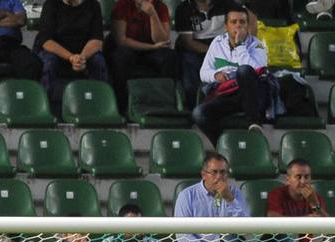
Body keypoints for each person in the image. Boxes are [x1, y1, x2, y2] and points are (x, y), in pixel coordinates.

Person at [190, 7, 267, 141]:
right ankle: (225, 146)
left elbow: (257, 72)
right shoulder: (217, 43)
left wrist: (239, 46)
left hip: (253, 95)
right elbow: (203, 73)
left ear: (248, 25)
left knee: (244, 70)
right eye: (234, 22)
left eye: (242, 22)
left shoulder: (257, 45)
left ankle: (254, 123)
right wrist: (215, 75)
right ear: (226, 26)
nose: (238, 25)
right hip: (228, 96)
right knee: (199, 114)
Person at [34, 0, 107, 117]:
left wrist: (81, 58)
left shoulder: (93, 5)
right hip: (57, 51)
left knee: (98, 62)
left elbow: (97, 40)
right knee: (48, 62)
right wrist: (71, 57)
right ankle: (45, 110)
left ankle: (99, 108)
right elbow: (46, 41)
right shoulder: (51, 4)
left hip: (84, 52)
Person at [173, 152, 249, 242]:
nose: (219, 177)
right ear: (204, 174)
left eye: (223, 172)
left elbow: (246, 228)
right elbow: (182, 233)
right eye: (214, 172)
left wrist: (230, 200)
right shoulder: (186, 195)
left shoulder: (234, 193)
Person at [106, 0, 175, 115]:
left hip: (151, 51)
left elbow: (161, 40)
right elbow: (121, 40)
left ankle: (166, 104)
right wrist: (151, 47)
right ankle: (122, 107)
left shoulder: (160, 7)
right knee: (121, 56)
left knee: (169, 57)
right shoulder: (122, 6)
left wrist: (153, 15)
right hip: (130, 49)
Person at [173, 0, 226, 108]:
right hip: (194, 52)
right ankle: (194, 108)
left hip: (221, 50)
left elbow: (243, 21)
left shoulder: (227, 5)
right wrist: (213, 53)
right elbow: (188, 42)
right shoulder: (184, 9)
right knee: (190, 62)